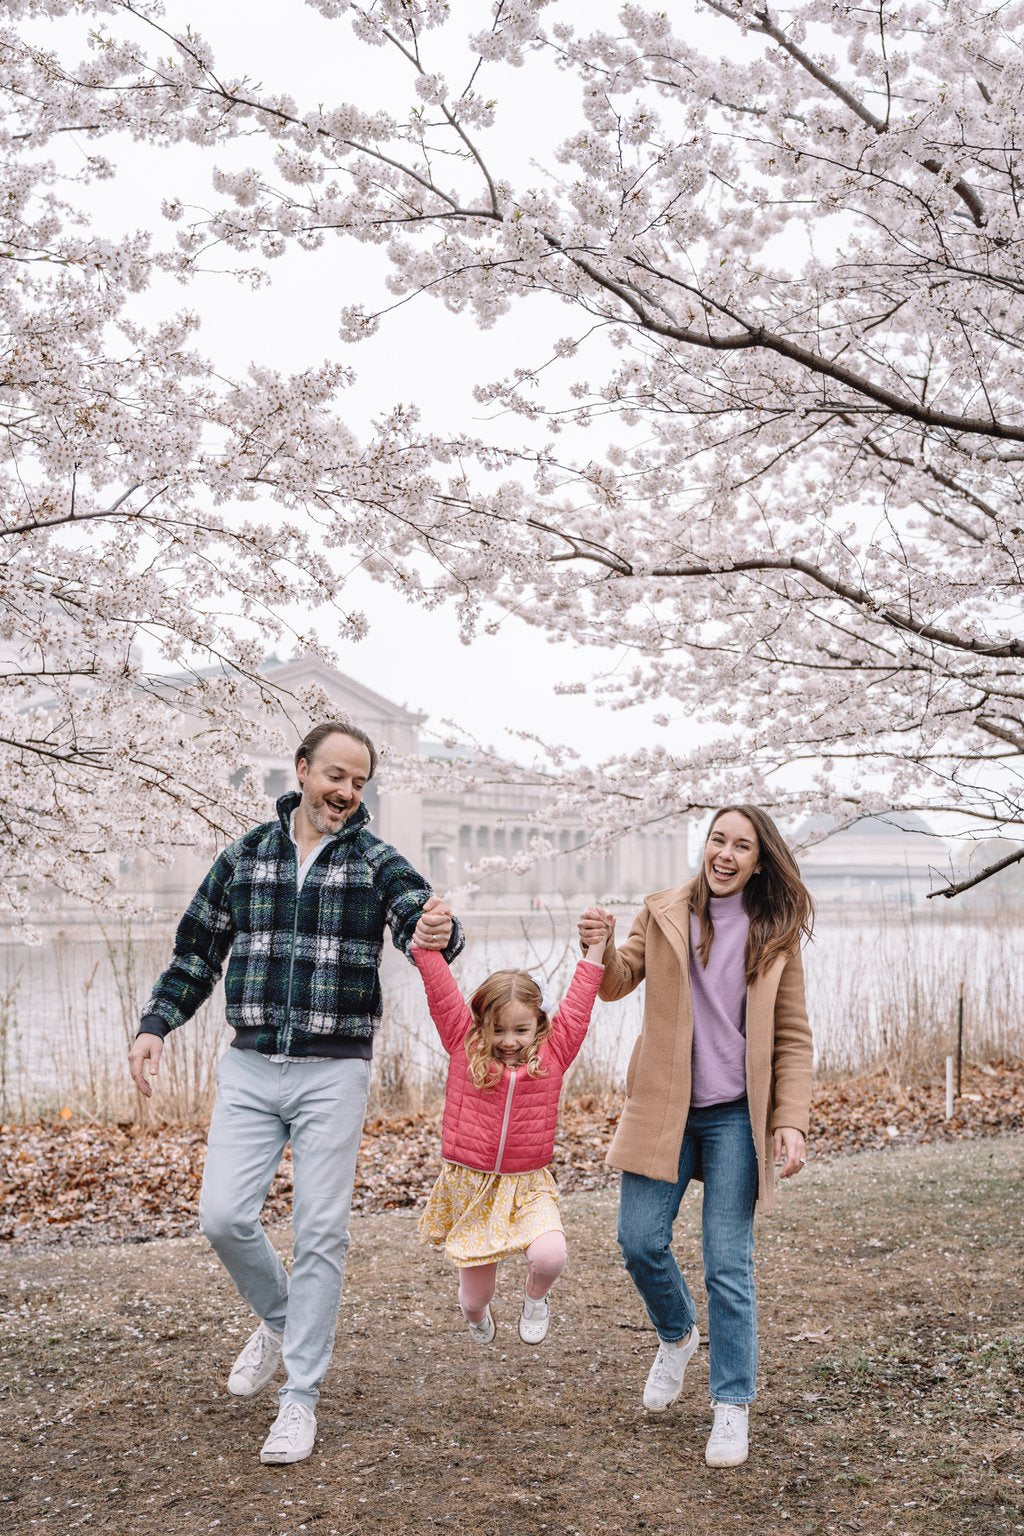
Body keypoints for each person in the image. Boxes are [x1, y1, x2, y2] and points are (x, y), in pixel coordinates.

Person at [128, 720, 462, 1466]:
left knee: (320, 1233)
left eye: (359, 782)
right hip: (250, 1066)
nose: (346, 792)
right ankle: (282, 1318)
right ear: (303, 769)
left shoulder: (375, 860)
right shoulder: (246, 854)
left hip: (333, 1072)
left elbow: (422, 924)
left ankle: (299, 1397)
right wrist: (156, 1025)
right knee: (222, 1217)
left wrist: (437, 928)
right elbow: (196, 952)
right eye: (335, 775)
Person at [578, 805, 813, 1468]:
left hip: (737, 1114)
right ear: (704, 845)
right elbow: (617, 982)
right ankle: (678, 1334)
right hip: (665, 1106)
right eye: (717, 840)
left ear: (759, 862)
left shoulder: (774, 932)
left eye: (742, 846)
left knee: (727, 1264)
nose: (725, 854)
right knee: (638, 1241)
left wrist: (790, 1118)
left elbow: (793, 1035)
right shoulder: (663, 912)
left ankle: (731, 1404)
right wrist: (596, 947)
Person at [409, 909, 612, 1346]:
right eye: (497, 1030)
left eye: (520, 1029)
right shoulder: (464, 1044)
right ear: (482, 1024)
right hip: (473, 1187)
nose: (508, 1041)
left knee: (550, 1256)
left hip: (527, 1183)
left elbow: (580, 1001)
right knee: (473, 1298)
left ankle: (536, 1299)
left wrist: (597, 946)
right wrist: (426, 942)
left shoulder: (555, 1053)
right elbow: (440, 989)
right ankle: (477, 1314)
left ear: (538, 1024)